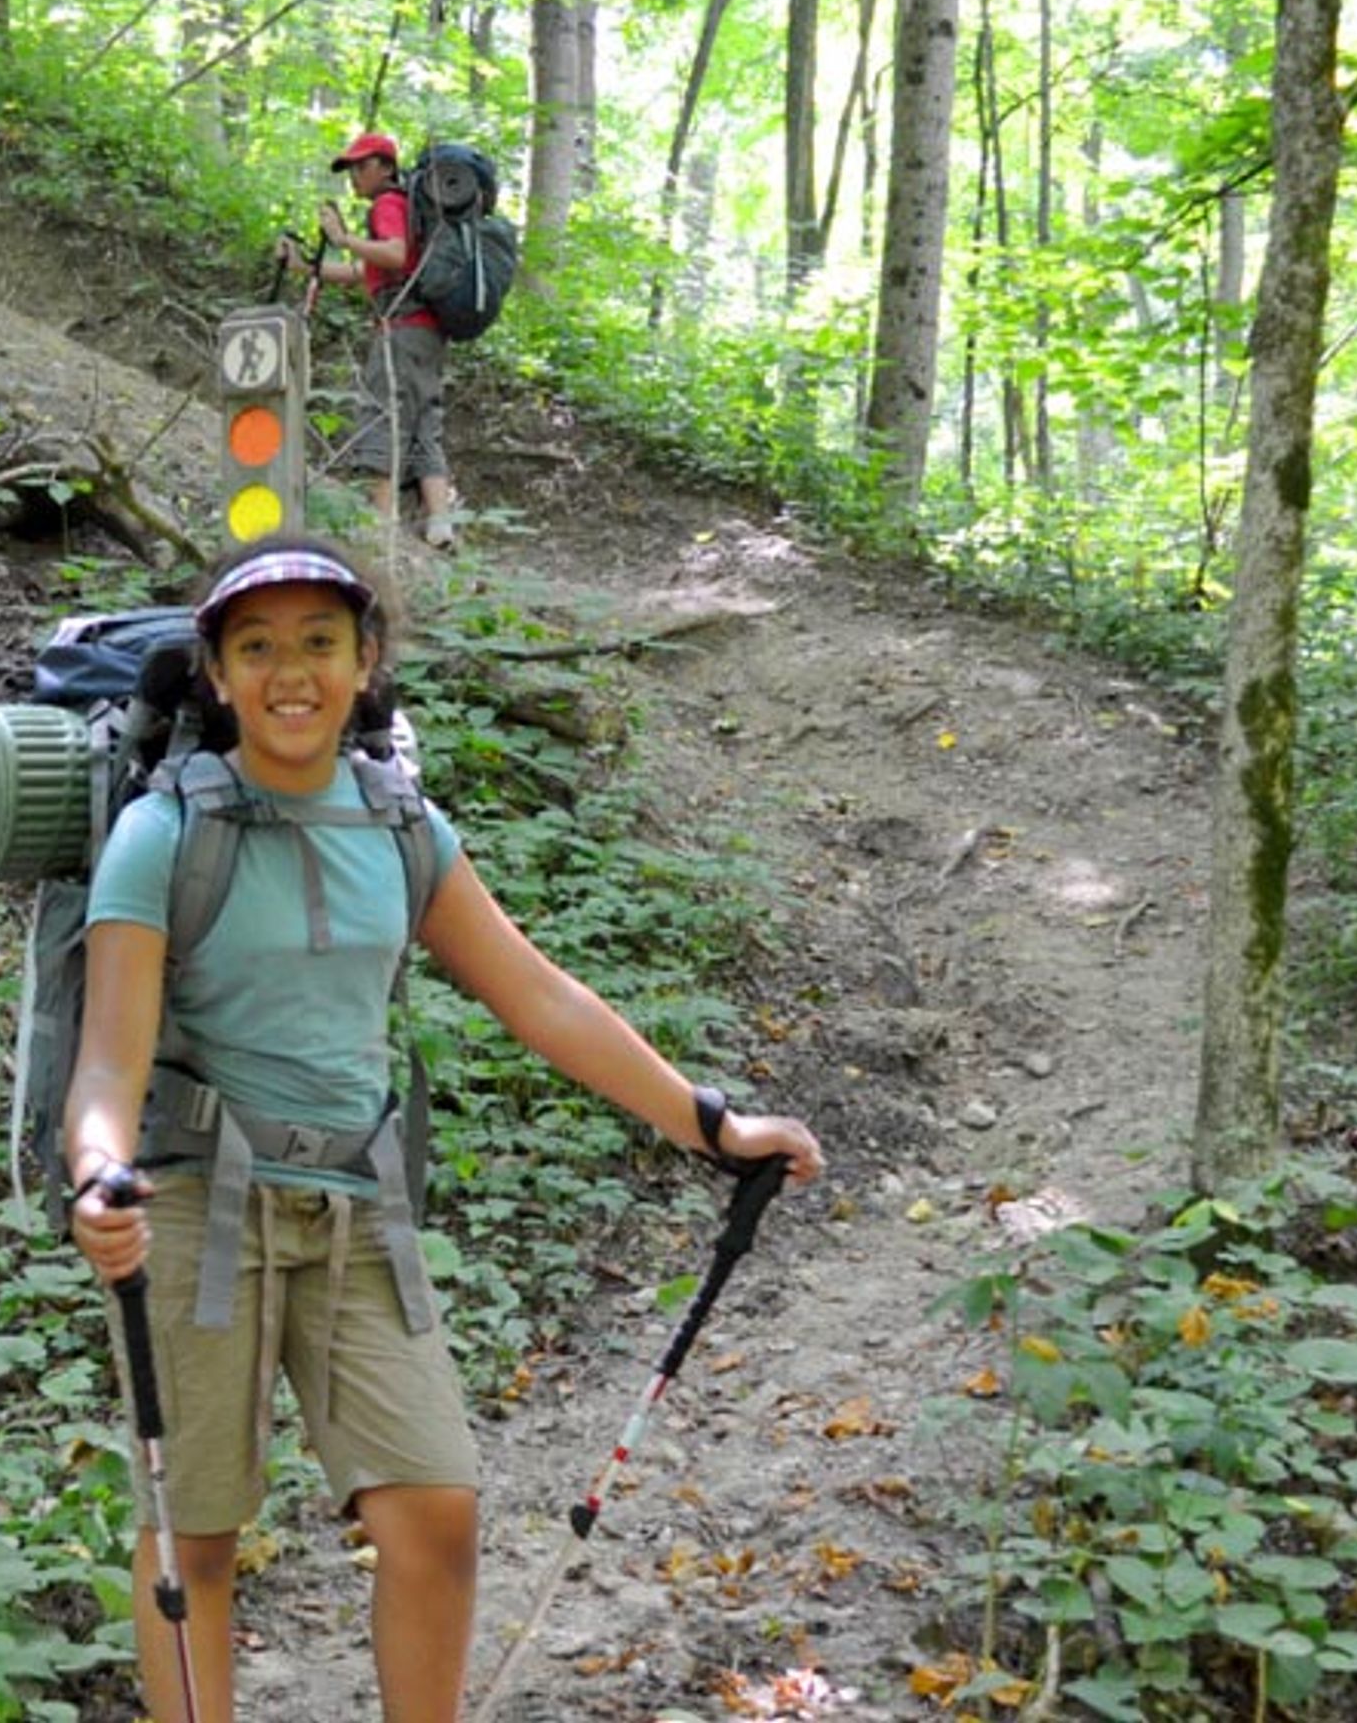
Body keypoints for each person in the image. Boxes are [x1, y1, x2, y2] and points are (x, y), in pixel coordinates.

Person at [59, 533, 826, 1721]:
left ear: (368, 660)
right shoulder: (163, 833)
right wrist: (99, 1168)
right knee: (194, 1536)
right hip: (198, 1203)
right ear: (214, 673)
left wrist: (708, 1121)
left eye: (321, 641)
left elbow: (539, 994)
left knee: (435, 1509)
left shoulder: (403, 826)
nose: (292, 672)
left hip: (361, 1207)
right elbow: (107, 1053)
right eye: (257, 647)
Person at [281, 133, 461, 551]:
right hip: (427, 330)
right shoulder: (406, 207)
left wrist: (343, 239)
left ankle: (381, 527)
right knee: (422, 422)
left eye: (361, 167)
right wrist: (306, 267)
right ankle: (440, 525)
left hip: (400, 329)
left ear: (385, 167)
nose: (355, 177)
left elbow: (394, 254)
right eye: (351, 169)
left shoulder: (387, 205)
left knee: (382, 413)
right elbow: (367, 272)